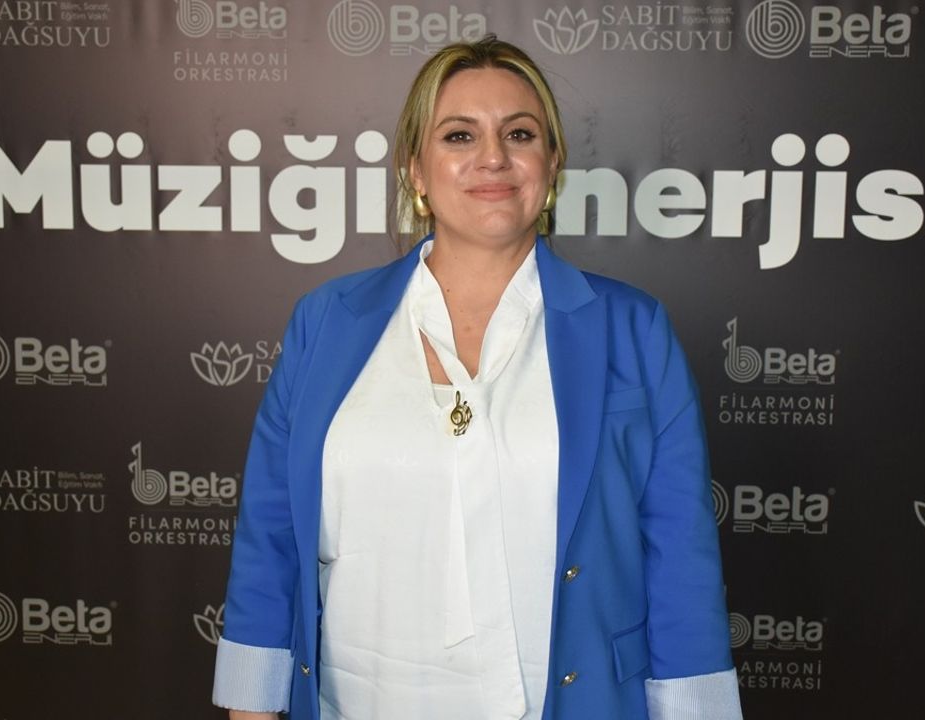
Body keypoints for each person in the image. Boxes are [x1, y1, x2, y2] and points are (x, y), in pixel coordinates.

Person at [212, 36, 743, 720]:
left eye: (519, 134)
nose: (493, 156)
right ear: (416, 171)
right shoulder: (327, 321)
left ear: (552, 163)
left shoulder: (633, 330)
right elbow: (271, 533)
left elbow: (680, 557)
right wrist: (251, 706)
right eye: (459, 135)